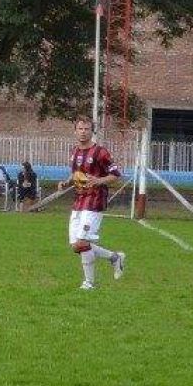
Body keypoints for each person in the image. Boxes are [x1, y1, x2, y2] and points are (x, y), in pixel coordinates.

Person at [58, 116, 126, 290]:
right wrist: (66, 182)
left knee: (82, 242)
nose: (83, 132)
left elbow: (116, 175)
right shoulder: (74, 152)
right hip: (79, 201)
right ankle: (114, 258)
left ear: (92, 131)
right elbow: (76, 175)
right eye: (80, 129)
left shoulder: (100, 152)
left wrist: (98, 180)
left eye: (87, 129)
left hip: (95, 202)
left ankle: (89, 283)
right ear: (75, 131)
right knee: (76, 246)